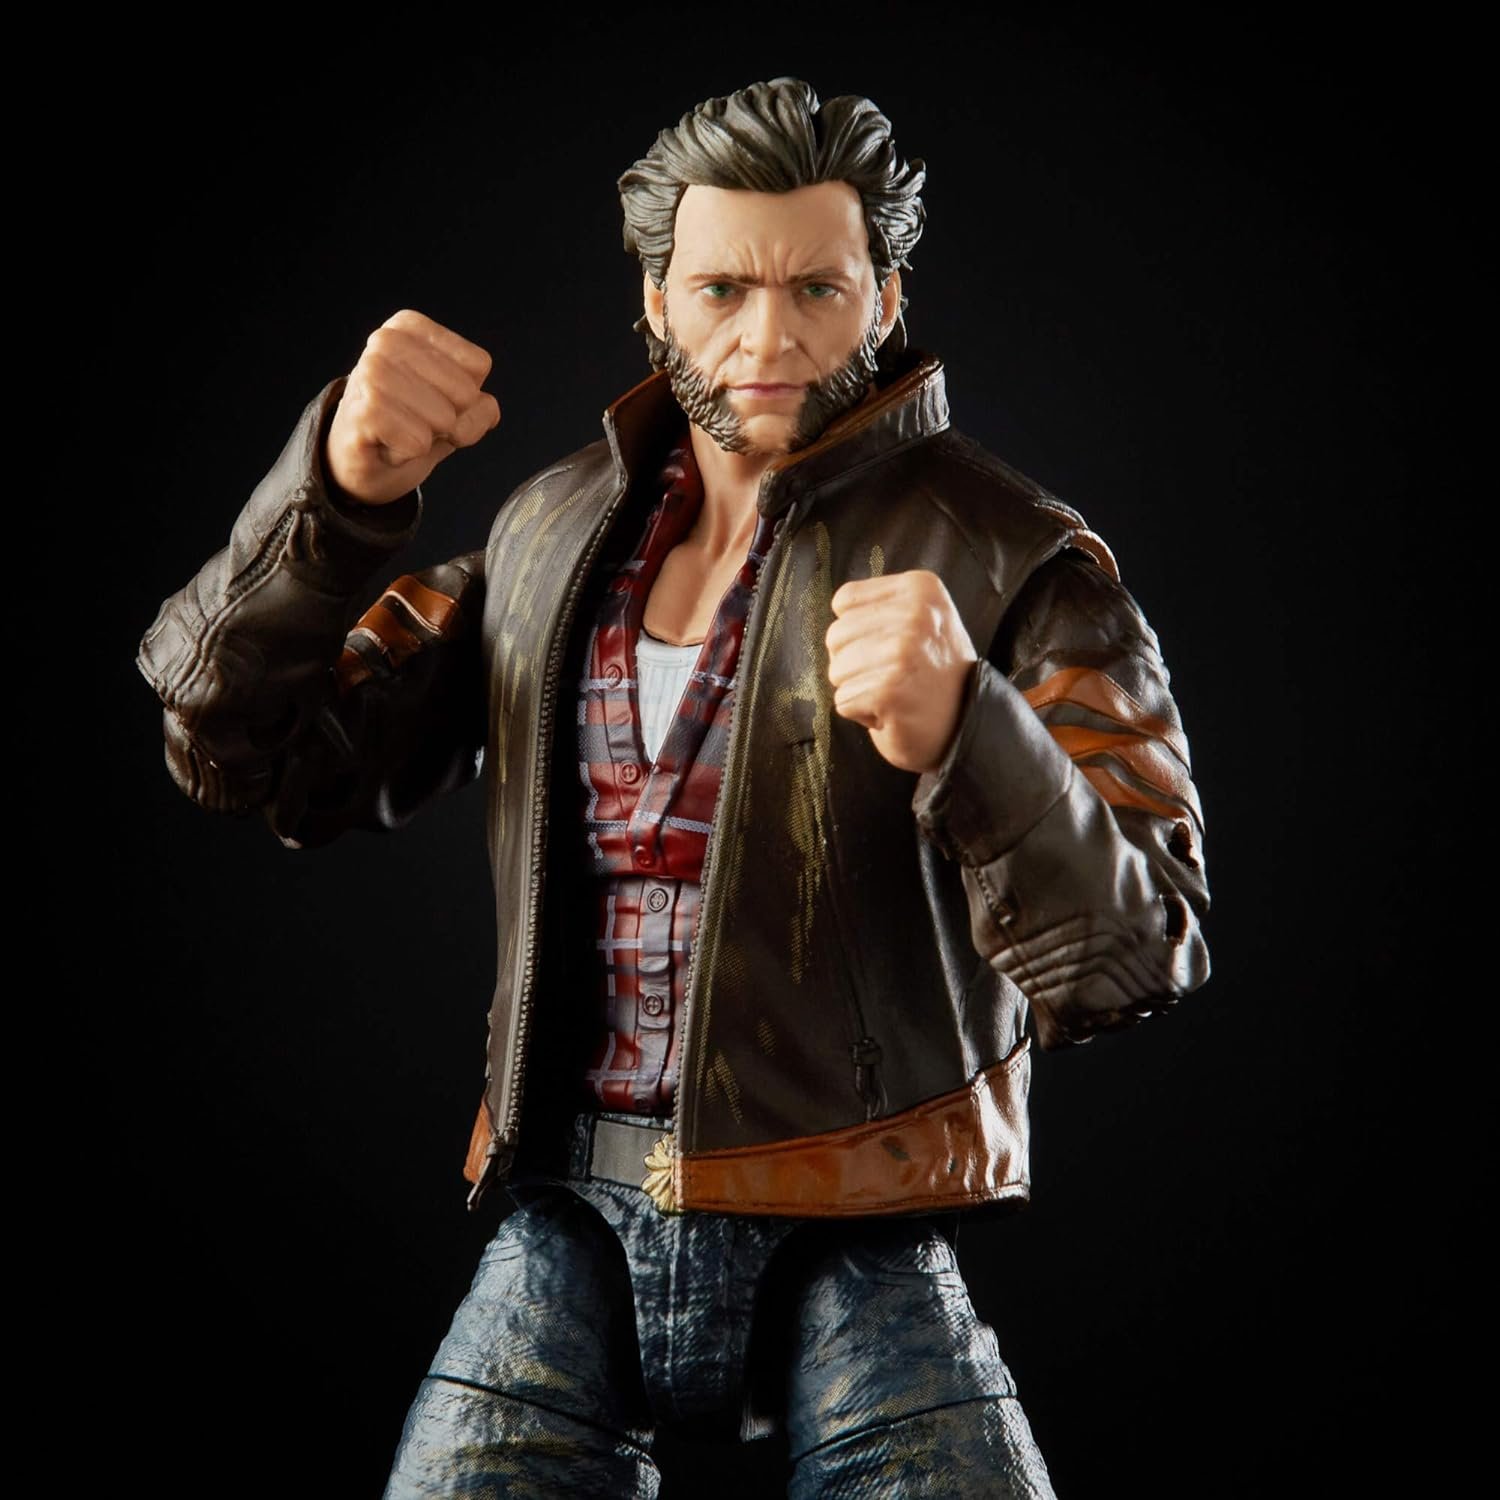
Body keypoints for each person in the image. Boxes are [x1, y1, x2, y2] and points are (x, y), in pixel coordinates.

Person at [138, 78, 1210, 1497]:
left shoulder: (1010, 556)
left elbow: (1142, 950)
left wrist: (977, 732)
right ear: (656, 301)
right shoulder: (549, 536)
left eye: (816, 288)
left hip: (858, 1204)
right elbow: (248, 755)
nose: (768, 339)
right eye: (721, 289)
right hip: (572, 1199)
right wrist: (337, 498)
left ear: (885, 295)